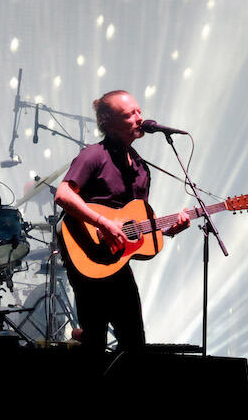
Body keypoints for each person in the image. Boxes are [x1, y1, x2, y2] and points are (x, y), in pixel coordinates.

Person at [54, 90, 189, 356]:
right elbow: (63, 195)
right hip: (87, 254)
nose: (139, 118)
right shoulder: (93, 155)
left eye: (139, 111)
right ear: (108, 122)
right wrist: (103, 223)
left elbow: (137, 223)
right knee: (95, 344)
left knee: (134, 344)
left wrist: (168, 229)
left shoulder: (140, 167)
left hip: (117, 262)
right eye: (129, 115)